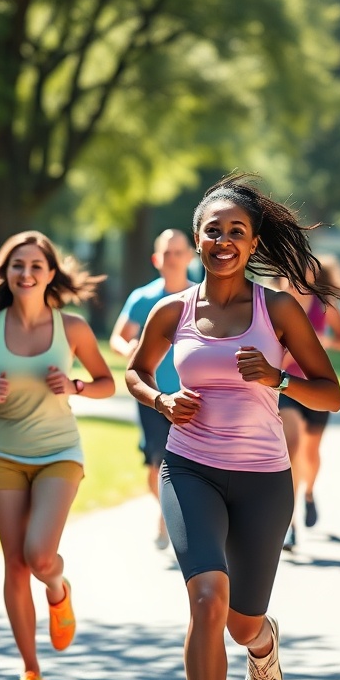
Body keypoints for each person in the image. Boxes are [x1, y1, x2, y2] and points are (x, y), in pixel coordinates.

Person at [126, 173, 340, 680]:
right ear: (197, 238)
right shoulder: (172, 310)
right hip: (190, 469)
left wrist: (278, 378)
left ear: (253, 242)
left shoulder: (277, 309)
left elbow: (331, 394)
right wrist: (160, 400)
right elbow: (136, 371)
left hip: (264, 479)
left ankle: (262, 642)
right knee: (206, 601)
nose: (224, 241)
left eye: (237, 232)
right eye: (213, 231)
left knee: (241, 623)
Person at [0, 231, 115, 680]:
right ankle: (31, 672)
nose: (26, 274)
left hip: (58, 452)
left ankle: (57, 586)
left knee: (39, 557)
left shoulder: (73, 328)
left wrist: (75, 386)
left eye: (35, 266)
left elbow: (107, 382)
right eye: (17, 265)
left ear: (51, 274)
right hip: (3, 453)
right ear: (6, 273)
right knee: (14, 563)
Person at [109, 228, 196, 550]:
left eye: (178, 252)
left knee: (187, 462)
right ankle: (169, 510)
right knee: (153, 467)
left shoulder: (201, 296)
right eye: (166, 253)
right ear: (156, 259)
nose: (172, 259)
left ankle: (175, 517)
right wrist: (128, 348)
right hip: (151, 395)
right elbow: (118, 337)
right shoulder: (143, 298)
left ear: (190, 256)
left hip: (192, 395)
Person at [276, 259, 340, 550]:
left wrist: (322, 342)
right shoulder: (272, 303)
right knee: (292, 448)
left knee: (310, 454)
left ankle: (309, 492)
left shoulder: (324, 304)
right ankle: (290, 524)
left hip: (317, 388)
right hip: (286, 387)